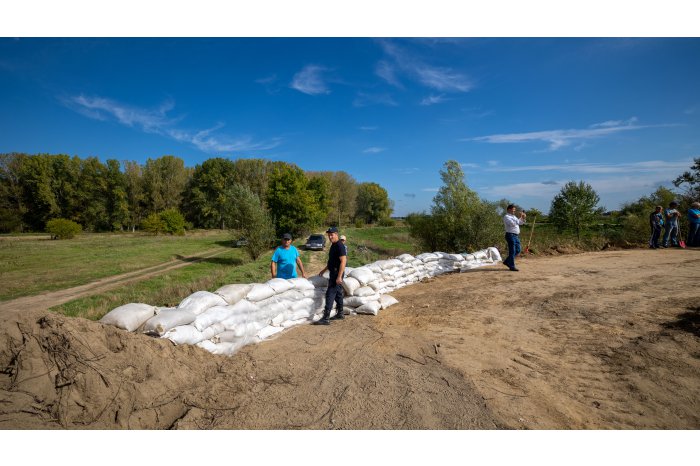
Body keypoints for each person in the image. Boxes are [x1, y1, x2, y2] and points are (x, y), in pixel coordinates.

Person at [313, 226, 347, 325]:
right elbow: (332, 261)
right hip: (334, 272)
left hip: (337, 273)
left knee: (330, 293)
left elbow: (343, 261)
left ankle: (326, 317)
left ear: (336, 234)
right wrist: (324, 270)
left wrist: (339, 276)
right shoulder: (333, 245)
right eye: (329, 235)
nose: (330, 237)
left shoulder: (340, 246)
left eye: (332, 234)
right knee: (338, 293)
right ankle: (340, 313)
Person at [502, 204, 526, 271]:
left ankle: (506, 261)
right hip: (510, 235)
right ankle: (512, 266)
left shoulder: (514, 216)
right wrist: (520, 217)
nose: (514, 211)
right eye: (513, 210)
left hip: (516, 236)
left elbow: (520, 223)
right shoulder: (506, 217)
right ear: (509, 209)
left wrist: (523, 218)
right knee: (512, 251)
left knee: (518, 250)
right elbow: (512, 224)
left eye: (514, 210)